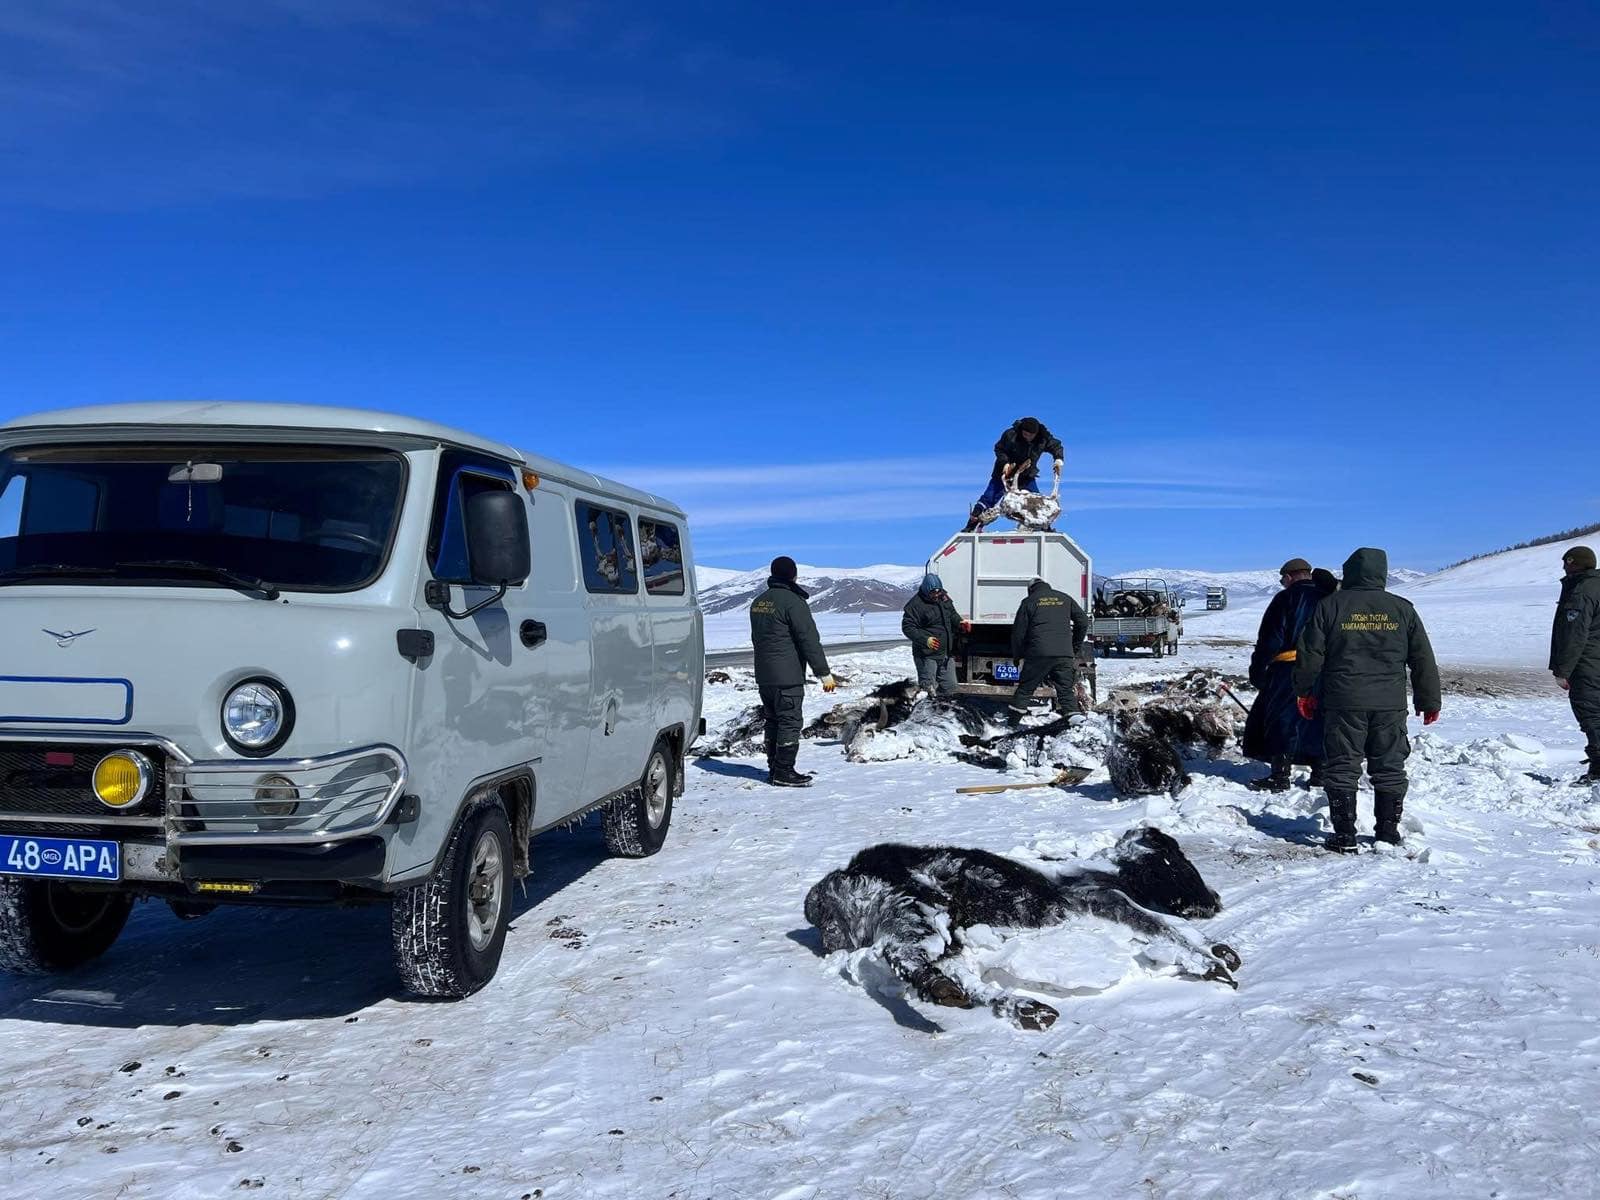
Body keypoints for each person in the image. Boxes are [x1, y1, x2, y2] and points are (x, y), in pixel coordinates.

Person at [1293, 547, 1441, 853]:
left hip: (1343, 700)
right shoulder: (1402, 609)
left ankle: (1344, 835)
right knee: (1389, 766)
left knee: (1343, 765)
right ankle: (1387, 833)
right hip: (1389, 703)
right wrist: (1429, 700)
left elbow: (1310, 655)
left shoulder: (1330, 606)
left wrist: (1304, 691)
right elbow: (1423, 658)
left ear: (1350, 572)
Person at [1241, 558, 1327, 792]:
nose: (1282, 583)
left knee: (1283, 718)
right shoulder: (1328, 596)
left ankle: (1280, 774)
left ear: (1289, 577)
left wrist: (1258, 670)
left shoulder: (1285, 598)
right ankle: (1320, 773)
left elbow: (1270, 639)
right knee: (1318, 718)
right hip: (1323, 668)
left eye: (1282, 580)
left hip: (1289, 667)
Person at [750, 556, 836, 787]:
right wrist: (823, 673)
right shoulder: (793, 602)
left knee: (773, 721)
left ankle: (774, 767)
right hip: (787, 676)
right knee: (789, 721)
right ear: (793, 575)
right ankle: (784, 771)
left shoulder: (758, 602)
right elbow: (808, 639)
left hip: (764, 675)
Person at [1550, 545, 1600, 784]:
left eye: (1567, 563)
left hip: (1587, 663)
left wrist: (1563, 670)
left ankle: (1599, 770)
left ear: (1576, 564)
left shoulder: (1582, 591)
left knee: (1590, 713)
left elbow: (1574, 634)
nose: (1563, 567)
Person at [964, 417, 1065, 532]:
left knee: (1036, 504)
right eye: (1025, 434)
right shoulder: (1011, 435)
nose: (1027, 437)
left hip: (1026, 476)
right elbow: (999, 449)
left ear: (1036, 434)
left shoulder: (1043, 438)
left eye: (1030, 435)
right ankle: (971, 525)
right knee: (989, 498)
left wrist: (1058, 459)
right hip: (1005, 474)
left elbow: (1056, 446)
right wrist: (1005, 463)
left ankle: (1045, 528)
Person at [1008, 577, 1088, 721]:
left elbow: (1018, 633)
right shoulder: (1065, 598)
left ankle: (1011, 724)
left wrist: (1018, 656)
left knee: (1025, 689)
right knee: (1065, 691)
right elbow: (1083, 621)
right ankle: (1075, 723)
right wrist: (1074, 646)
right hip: (1064, 653)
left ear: (1030, 589)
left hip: (1038, 653)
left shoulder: (1029, 601)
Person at [902, 572, 969, 698]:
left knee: (951, 687)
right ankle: (928, 714)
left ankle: (944, 712)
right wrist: (925, 640)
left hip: (945, 654)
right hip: (927, 655)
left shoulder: (943, 598)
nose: (937, 595)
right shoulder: (915, 606)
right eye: (934, 593)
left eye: (939, 592)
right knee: (929, 689)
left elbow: (952, 614)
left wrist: (960, 623)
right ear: (926, 591)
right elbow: (908, 628)